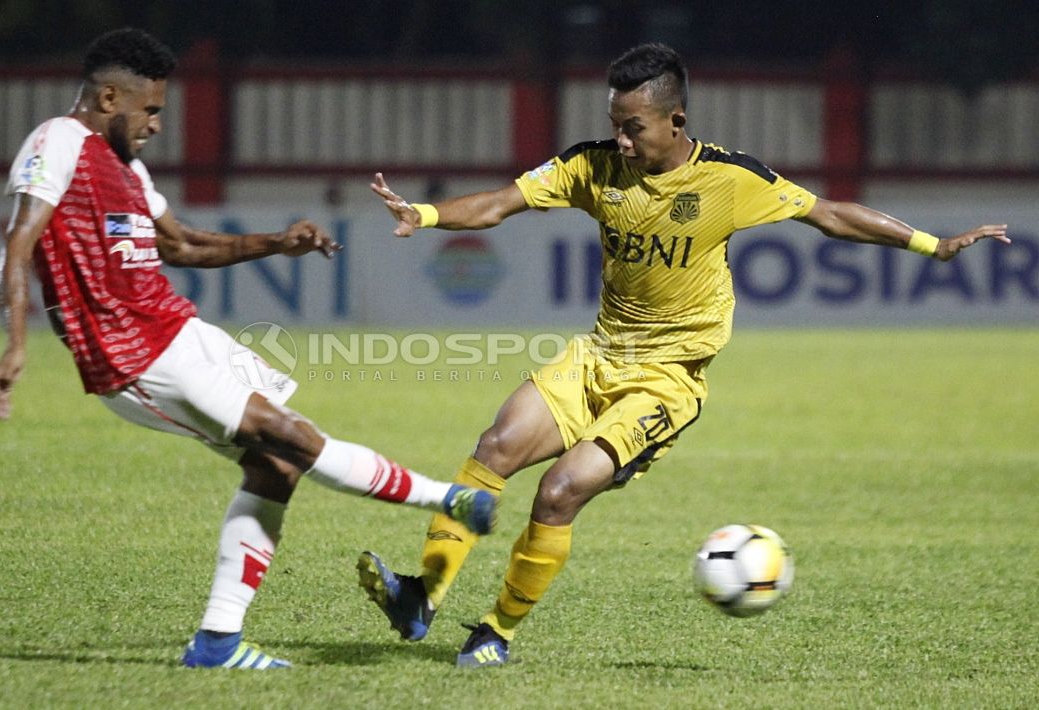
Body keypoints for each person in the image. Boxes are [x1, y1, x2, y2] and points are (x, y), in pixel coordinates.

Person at [357, 42, 1010, 668]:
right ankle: (423, 597)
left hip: (665, 384)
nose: (621, 140)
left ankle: (495, 633)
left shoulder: (730, 179)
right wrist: (427, 213)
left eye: (633, 127)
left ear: (676, 121)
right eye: (614, 125)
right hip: (598, 356)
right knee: (494, 448)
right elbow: (502, 202)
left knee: (558, 493)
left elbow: (832, 215)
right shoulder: (595, 167)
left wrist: (933, 245)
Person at [0, 27, 496, 671]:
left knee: (275, 465)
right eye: (150, 110)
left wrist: (276, 243)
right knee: (287, 436)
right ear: (109, 96)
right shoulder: (58, 141)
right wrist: (15, 345)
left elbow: (183, 247)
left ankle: (217, 643)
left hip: (177, 329)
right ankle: (449, 500)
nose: (156, 125)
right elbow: (18, 243)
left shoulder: (127, 168)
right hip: (128, 352)